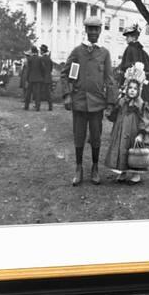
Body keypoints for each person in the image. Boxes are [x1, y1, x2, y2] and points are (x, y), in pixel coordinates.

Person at [61, 15, 116, 186]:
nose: (93, 32)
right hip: (79, 102)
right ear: (86, 30)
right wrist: (67, 95)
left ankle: (94, 168)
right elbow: (66, 74)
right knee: (78, 136)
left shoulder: (104, 53)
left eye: (96, 29)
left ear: (100, 31)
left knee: (96, 137)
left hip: (97, 104)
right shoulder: (78, 52)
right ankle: (78, 168)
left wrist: (111, 102)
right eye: (90, 29)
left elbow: (109, 79)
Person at [105, 69, 149, 185]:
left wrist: (141, 133)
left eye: (135, 89)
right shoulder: (122, 101)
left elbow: (145, 119)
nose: (132, 91)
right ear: (126, 89)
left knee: (134, 151)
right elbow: (114, 115)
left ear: (139, 90)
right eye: (130, 88)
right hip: (122, 130)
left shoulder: (140, 104)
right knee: (122, 149)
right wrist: (112, 109)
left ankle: (136, 174)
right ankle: (122, 171)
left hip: (134, 131)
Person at [119, 22, 149, 141]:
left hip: (132, 86)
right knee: (144, 108)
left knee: (130, 107)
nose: (126, 39)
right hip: (143, 87)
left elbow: (124, 67)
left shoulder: (130, 49)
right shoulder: (143, 52)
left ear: (133, 37)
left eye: (128, 36)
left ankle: (130, 133)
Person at [24, 46, 44, 111]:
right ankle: (38, 107)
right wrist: (42, 76)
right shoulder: (40, 58)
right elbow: (43, 68)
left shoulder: (29, 59)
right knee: (37, 93)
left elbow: (28, 69)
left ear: (32, 51)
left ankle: (26, 106)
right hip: (38, 78)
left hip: (31, 78)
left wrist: (27, 78)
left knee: (28, 93)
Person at [39, 44, 54, 111]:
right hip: (48, 78)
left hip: (42, 78)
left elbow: (41, 69)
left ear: (42, 51)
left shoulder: (41, 59)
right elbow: (51, 68)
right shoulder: (49, 59)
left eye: (40, 50)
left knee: (39, 92)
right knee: (48, 93)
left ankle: (37, 106)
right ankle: (50, 106)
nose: (40, 51)